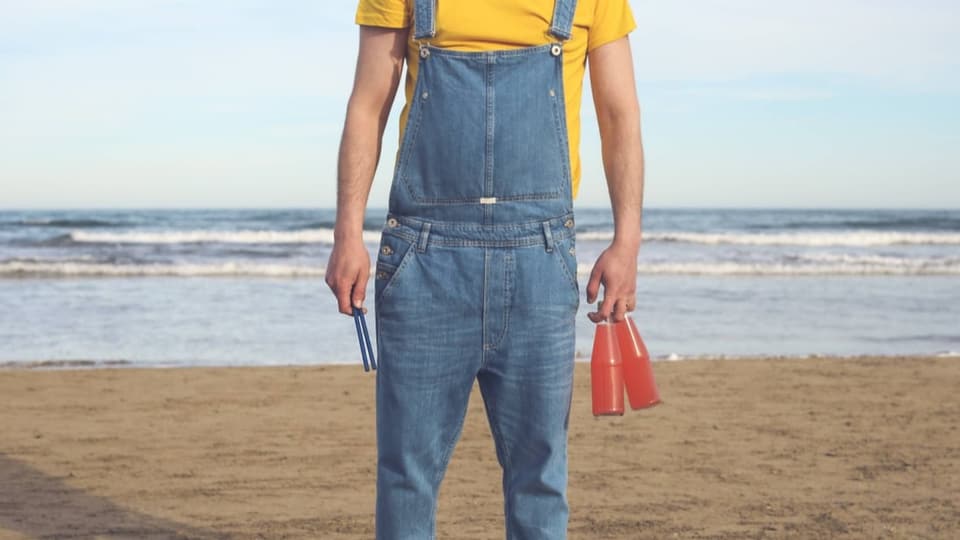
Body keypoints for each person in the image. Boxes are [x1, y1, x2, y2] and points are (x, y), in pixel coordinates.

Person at [325, 0, 645, 537]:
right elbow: (367, 104)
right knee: (406, 475)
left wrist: (627, 241)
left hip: (540, 264)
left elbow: (619, 113)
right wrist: (346, 233)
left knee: (540, 478)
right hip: (423, 260)